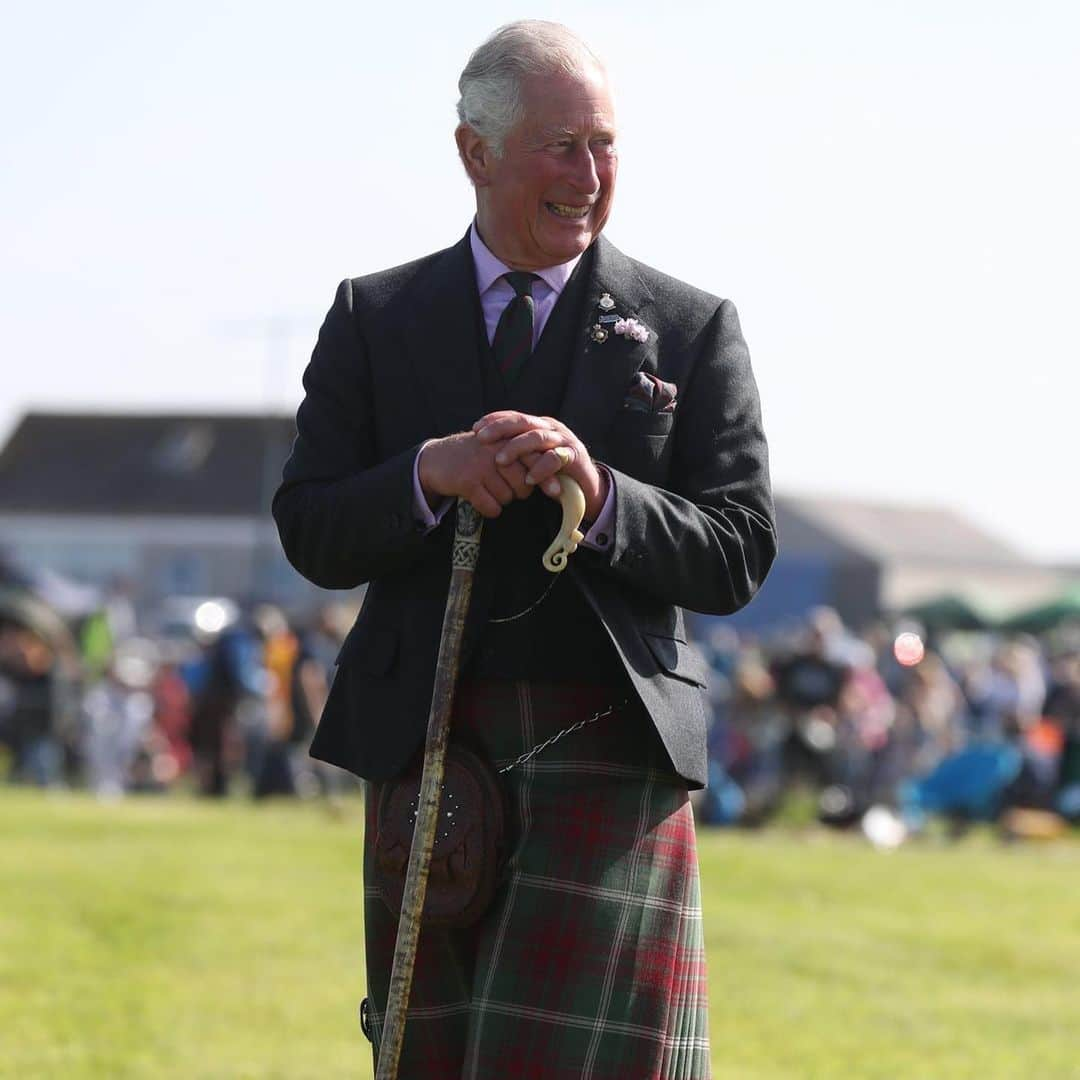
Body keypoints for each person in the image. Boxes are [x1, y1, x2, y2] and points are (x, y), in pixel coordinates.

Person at [273, 20, 775, 1078]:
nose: (590, 177)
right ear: (476, 152)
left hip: (611, 757)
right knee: (432, 1059)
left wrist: (600, 497)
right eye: (561, 146)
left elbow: (735, 554)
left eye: (605, 145)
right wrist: (427, 473)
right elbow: (311, 526)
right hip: (427, 753)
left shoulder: (690, 328)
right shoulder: (376, 316)